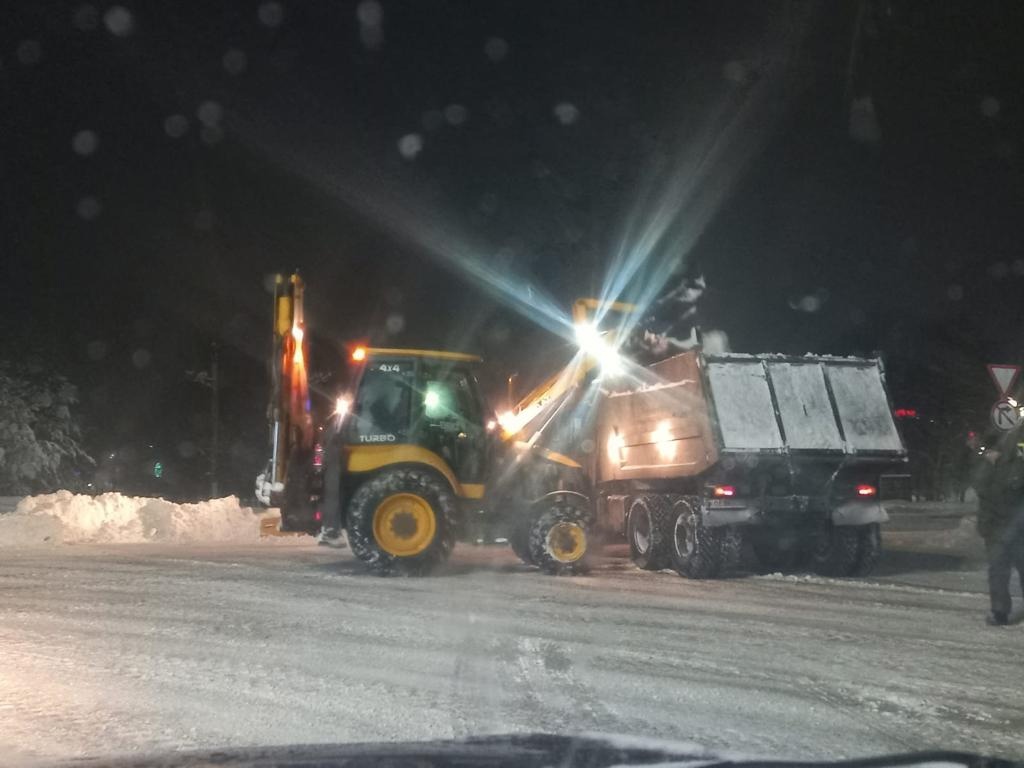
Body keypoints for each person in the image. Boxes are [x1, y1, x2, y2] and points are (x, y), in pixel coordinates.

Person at [973, 427, 1024, 626]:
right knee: (998, 571)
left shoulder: (1015, 466)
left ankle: (1000, 611)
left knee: (1007, 568)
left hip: (1013, 527)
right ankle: (999, 611)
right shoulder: (986, 469)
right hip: (997, 527)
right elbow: (982, 492)